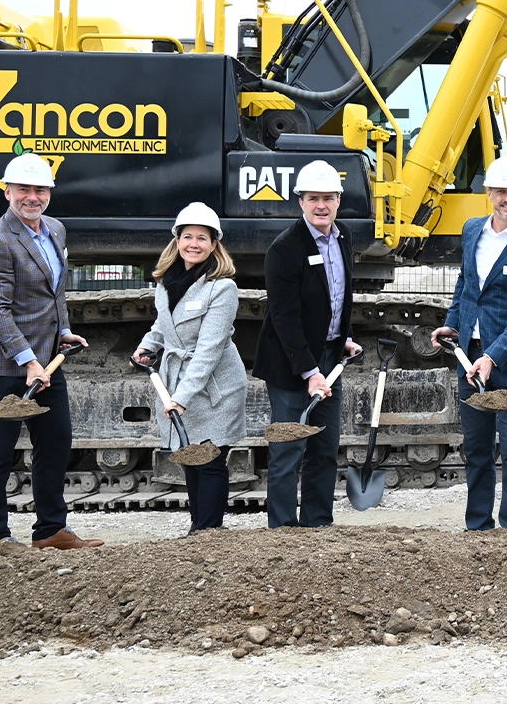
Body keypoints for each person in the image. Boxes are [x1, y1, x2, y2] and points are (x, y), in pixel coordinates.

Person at [0, 153, 100, 549]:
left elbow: (54, 293)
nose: (32, 197)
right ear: (7, 192)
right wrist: (27, 361)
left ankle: (50, 531)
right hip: (2, 363)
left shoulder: (55, 230)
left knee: (56, 442)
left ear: (50, 193)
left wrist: (64, 331)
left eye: (40, 189)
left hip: (45, 361)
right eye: (23, 189)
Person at [430, 155, 507, 533]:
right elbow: (466, 286)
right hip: (468, 359)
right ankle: (478, 526)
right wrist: (453, 326)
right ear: (488, 193)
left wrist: (492, 356)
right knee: (477, 449)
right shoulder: (472, 231)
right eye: (501, 191)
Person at [255, 160, 361, 529]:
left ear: (338, 200)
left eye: (328, 198)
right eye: (313, 198)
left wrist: (342, 338)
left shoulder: (343, 236)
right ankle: (282, 529)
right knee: (288, 446)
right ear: (300, 201)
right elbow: (284, 318)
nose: (321, 205)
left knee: (324, 447)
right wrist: (311, 372)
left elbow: (340, 295)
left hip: (329, 356)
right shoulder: (285, 249)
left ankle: (318, 523)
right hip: (291, 363)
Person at [134, 202, 246, 533]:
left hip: (214, 389)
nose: (193, 244)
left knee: (209, 460)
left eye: (202, 238)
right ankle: (198, 529)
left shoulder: (221, 287)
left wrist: (180, 397)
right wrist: (147, 346)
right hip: (179, 382)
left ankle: (208, 532)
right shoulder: (167, 282)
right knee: (190, 460)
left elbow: (209, 351)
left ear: (214, 244)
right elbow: (163, 324)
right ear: (177, 241)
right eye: (187, 237)